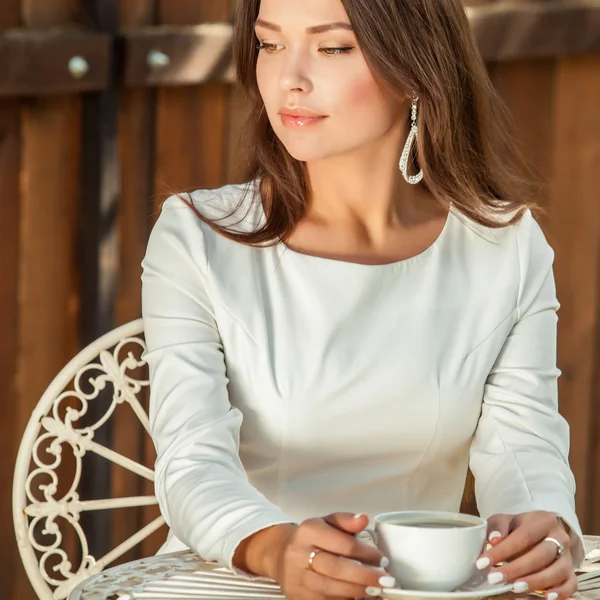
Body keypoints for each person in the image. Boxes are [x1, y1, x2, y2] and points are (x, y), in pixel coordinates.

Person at [140, 0, 584, 598]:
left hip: (422, 587)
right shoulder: (196, 236)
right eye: (270, 44)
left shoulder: (505, 247)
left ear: (415, 65)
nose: (289, 79)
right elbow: (191, 462)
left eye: (332, 47)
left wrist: (543, 529)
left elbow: (523, 448)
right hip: (234, 581)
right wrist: (276, 548)